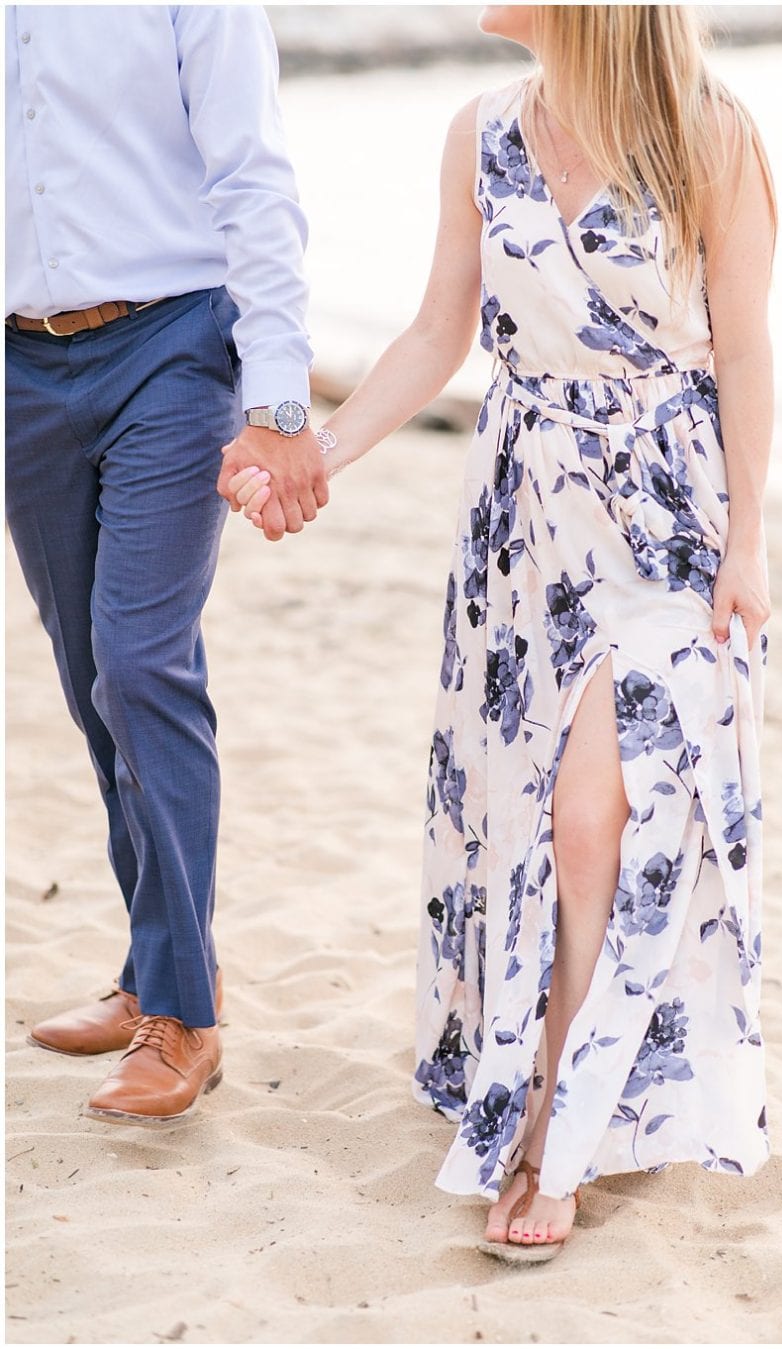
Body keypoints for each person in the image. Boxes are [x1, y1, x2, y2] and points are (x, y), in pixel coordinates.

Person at [224, 4, 775, 1261]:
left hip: (671, 512)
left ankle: (550, 1122)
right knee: (524, 812)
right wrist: (323, 454)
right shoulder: (478, 133)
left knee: (597, 813)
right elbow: (439, 332)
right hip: (524, 518)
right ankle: (533, 1068)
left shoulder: (713, 137)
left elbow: (744, 350)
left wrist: (748, 542)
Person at [5, 5, 326, 1125]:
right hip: (22, 367)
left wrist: (279, 402)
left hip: (174, 346)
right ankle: (150, 966)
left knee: (140, 663)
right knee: (92, 679)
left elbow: (256, 179)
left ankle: (185, 1010)